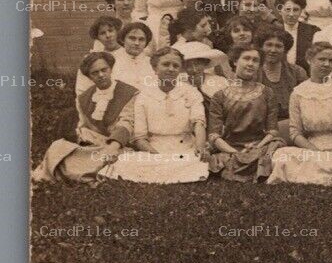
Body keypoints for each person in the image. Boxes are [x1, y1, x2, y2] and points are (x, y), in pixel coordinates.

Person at [99, 46, 210, 183]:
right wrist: (156, 156)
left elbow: (199, 123)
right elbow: (140, 137)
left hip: (186, 147)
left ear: (180, 69)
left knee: (195, 161)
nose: (171, 69)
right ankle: (169, 169)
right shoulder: (143, 96)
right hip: (154, 149)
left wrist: (200, 148)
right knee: (125, 161)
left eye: (176, 66)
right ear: (155, 68)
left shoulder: (191, 92)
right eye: (165, 64)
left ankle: (173, 169)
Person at [267, 42, 332, 185]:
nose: (326, 64)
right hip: (310, 146)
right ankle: (325, 172)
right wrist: (314, 151)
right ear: (309, 60)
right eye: (322, 59)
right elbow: (295, 132)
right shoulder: (298, 92)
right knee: (282, 155)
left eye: (331, 61)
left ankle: (314, 172)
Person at [32, 52, 131, 183]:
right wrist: (81, 136)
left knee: (108, 157)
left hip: (117, 143)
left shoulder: (128, 92)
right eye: (95, 73)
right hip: (93, 144)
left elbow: (127, 122)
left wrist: (113, 146)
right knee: (57, 146)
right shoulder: (83, 98)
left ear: (111, 69)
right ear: (89, 76)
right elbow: (83, 125)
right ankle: (81, 169)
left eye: (104, 70)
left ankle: (73, 171)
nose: (101, 75)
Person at [206, 45, 279, 182]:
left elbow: (273, 131)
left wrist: (258, 147)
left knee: (275, 152)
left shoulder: (267, 93)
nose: (251, 64)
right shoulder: (220, 96)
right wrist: (234, 152)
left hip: (260, 146)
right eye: (246, 59)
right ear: (235, 61)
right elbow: (214, 135)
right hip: (230, 148)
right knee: (221, 159)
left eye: (255, 60)